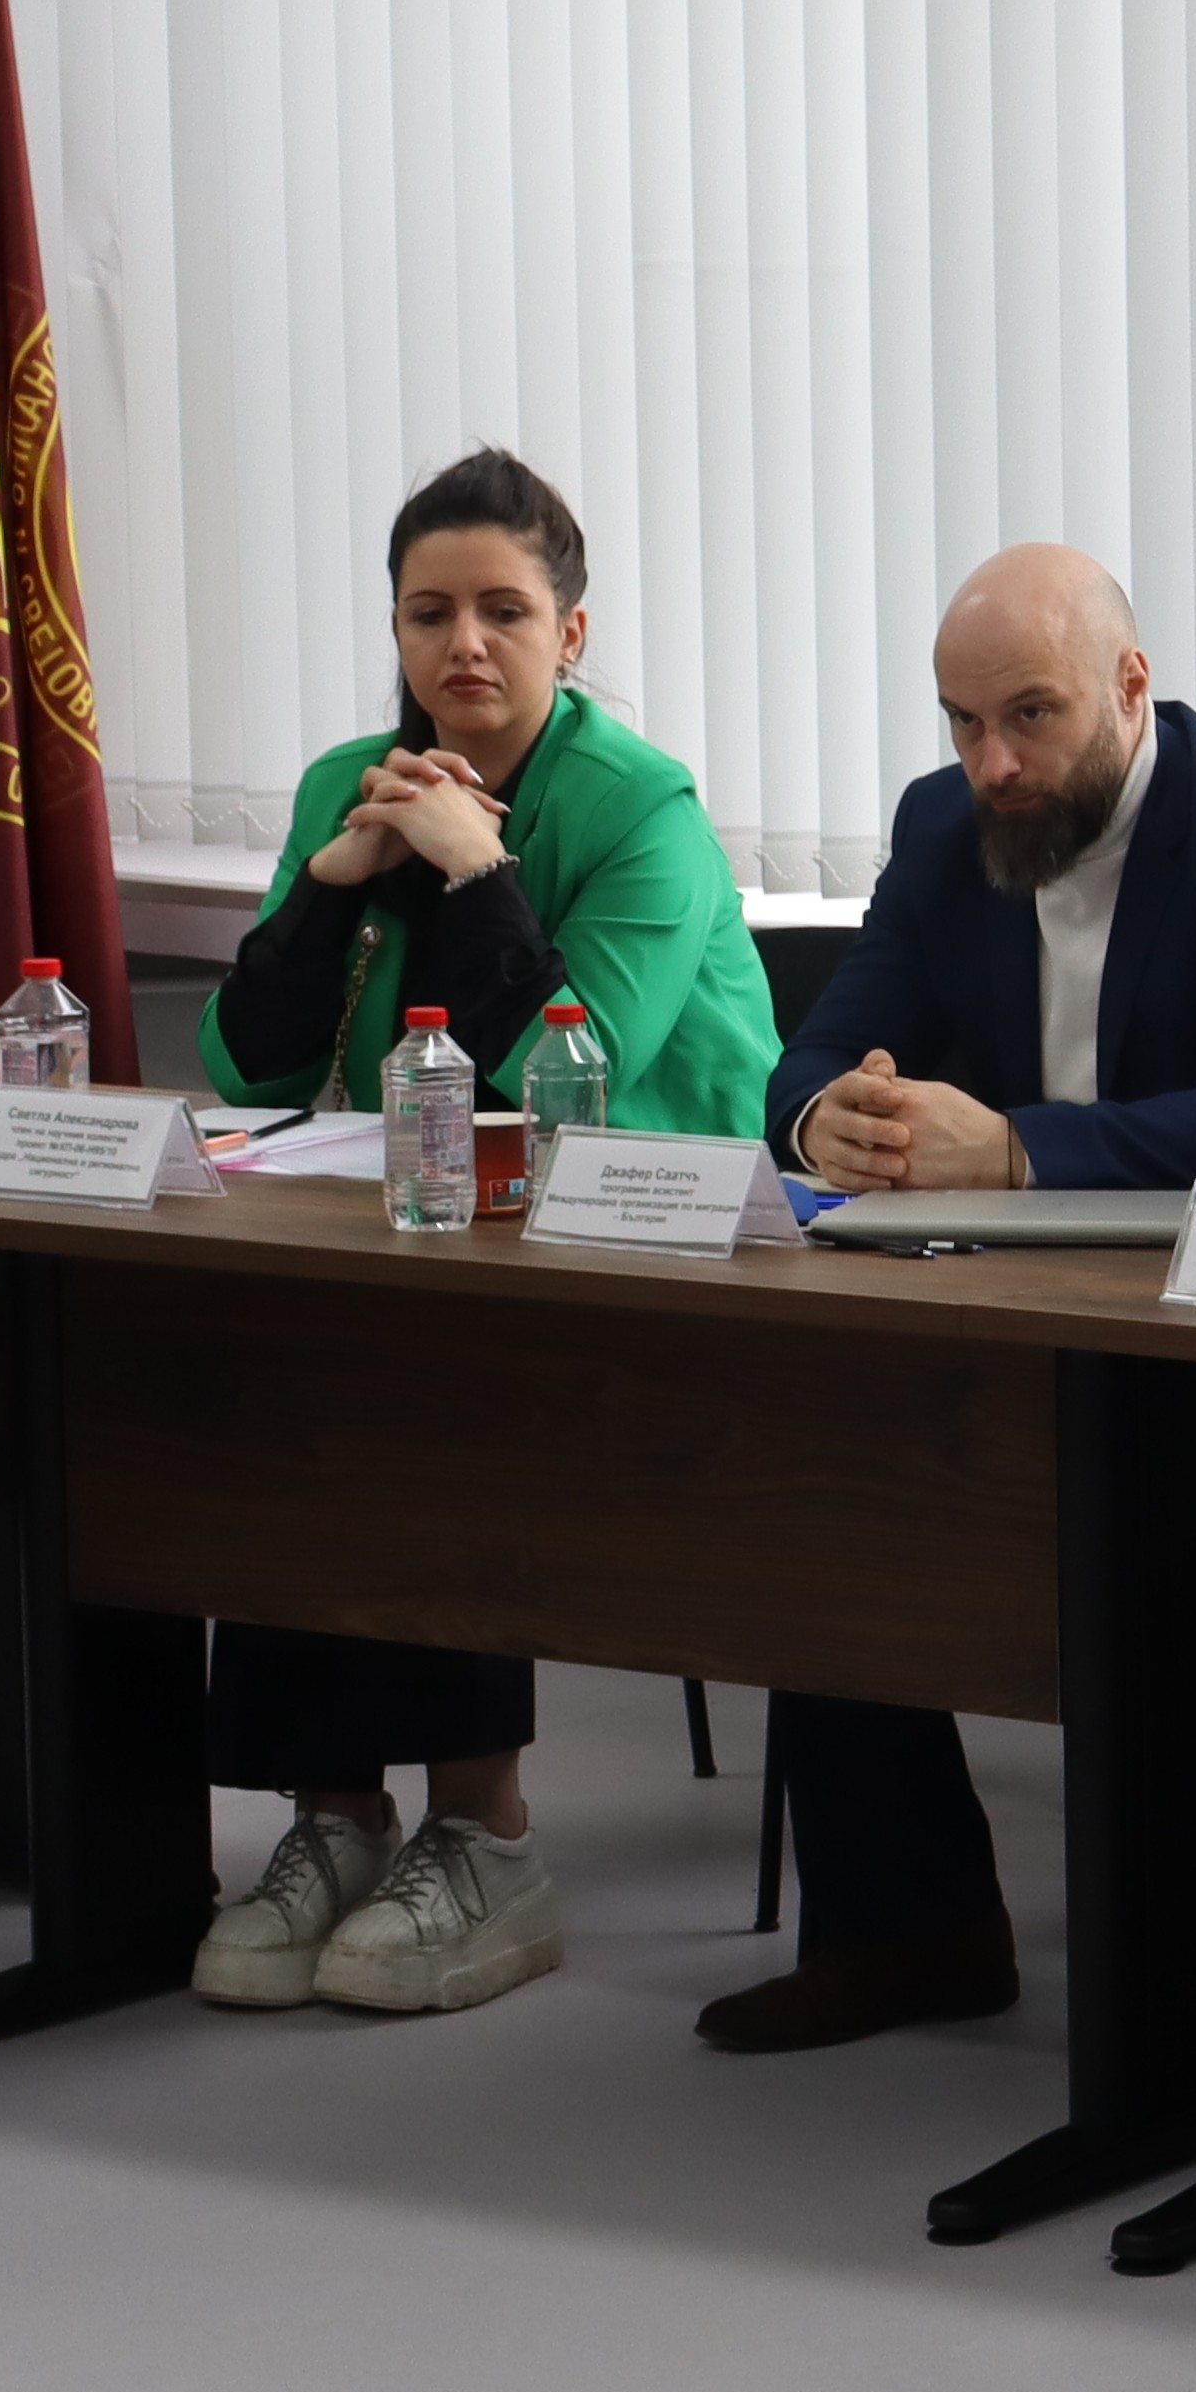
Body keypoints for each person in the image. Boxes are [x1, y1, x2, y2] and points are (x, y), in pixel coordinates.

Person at [725, 547, 1196, 2051]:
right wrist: (830, 1119)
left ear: (1129, 687)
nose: (994, 763)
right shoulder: (944, 825)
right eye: (963, 722)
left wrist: (1020, 1150)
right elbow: (815, 1052)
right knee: (814, 1474)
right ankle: (910, 1926)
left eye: (1029, 716)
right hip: (1018, 1317)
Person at [186, 450, 783, 2017]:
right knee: (266, 1357)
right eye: (428, 612)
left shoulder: (642, 807)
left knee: (426, 1366)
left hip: (662, 1240)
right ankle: (333, 1821)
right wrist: (337, 881)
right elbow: (246, 1070)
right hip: (432, 1221)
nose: (463, 644)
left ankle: (484, 1835)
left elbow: (564, 1082)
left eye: (504, 612)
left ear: (569, 634)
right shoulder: (350, 781)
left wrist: (477, 866)